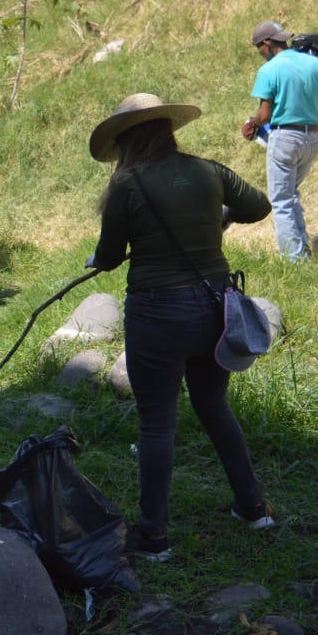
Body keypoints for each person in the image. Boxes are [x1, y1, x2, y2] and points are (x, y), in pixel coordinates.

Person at [88, 92, 274, 563]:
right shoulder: (209, 171)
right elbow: (258, 207)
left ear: (126, 139)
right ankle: (254, 508)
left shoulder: (128, 187)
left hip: (157, 315)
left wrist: (104, 257)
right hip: (214, 307)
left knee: (156, 425)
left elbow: (109, 258)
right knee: (214, 406)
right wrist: (218, 219)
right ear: (167, 129)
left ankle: (154, 537)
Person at [239, 20, 318, 261]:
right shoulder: (314, 62)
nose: (260, 53)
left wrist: (252, 124)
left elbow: (264, 115)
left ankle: (295, 260)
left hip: (285, 140)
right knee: (290, 193)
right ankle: (303, 247)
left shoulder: (269, 70)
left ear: (267, 43)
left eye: (259, 48)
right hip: (312, 139)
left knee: (280, 200)